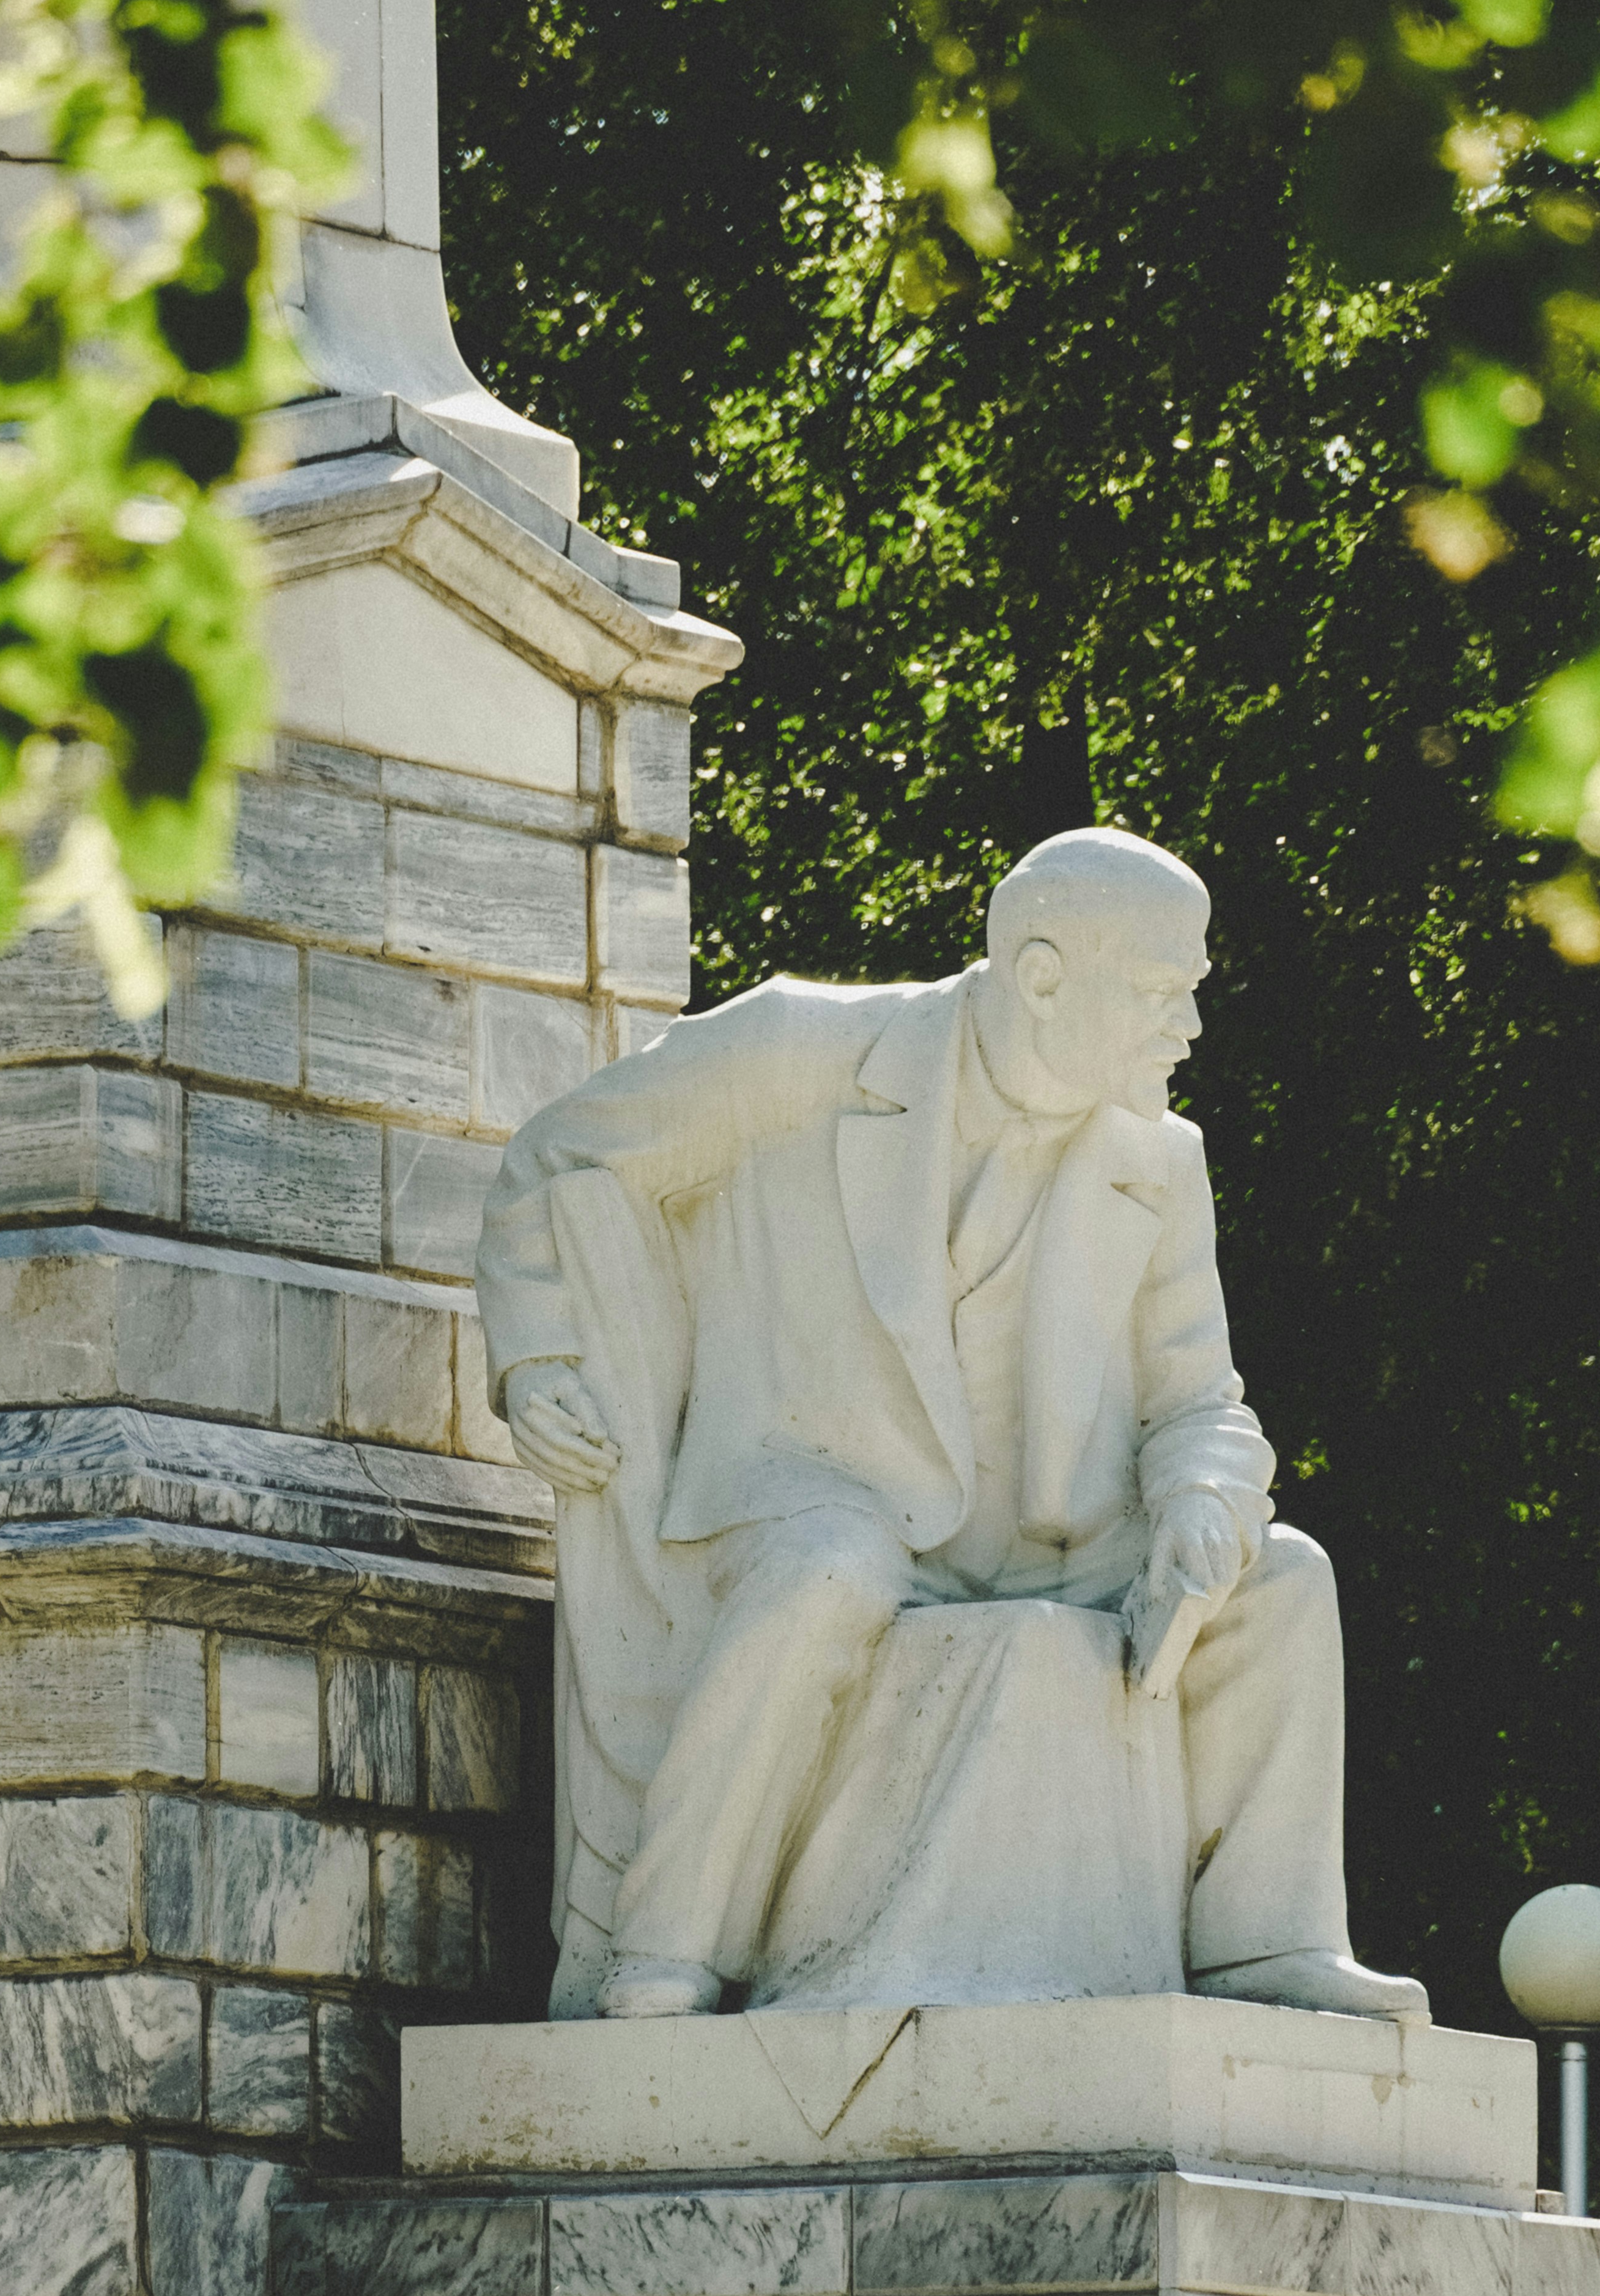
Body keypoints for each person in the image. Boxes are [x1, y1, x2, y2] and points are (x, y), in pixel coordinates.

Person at [476, 825, 1424, 2023]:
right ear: (1040, 974)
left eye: (1192, 992)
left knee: (1284, 1579)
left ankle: (1263, 1940)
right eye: (1159, 991)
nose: (1187, 1026)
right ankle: (665, 1949)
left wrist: (1201, 1500)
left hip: (1049, 1547)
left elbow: (1200, 1402)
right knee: (829, 1568)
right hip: (806, 1489)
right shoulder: (800, 1051)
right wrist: (539, 1354)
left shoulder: (1161, 1161)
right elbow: (561, 1153)